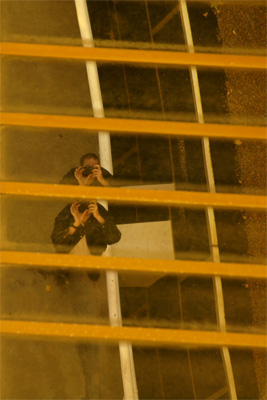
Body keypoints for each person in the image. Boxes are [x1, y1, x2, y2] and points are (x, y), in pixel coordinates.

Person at [51, 200, 121, 280]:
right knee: (64, 267)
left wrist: (99, 218)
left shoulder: (99, 211)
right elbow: (57, 241)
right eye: (81, 205)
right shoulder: (69, 211)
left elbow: (114, 238)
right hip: (70, 249)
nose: (84, 211)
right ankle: (64, 272)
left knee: (93, 266)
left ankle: (92, 271)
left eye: (87, 204)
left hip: (93, 251)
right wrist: (76, 223)